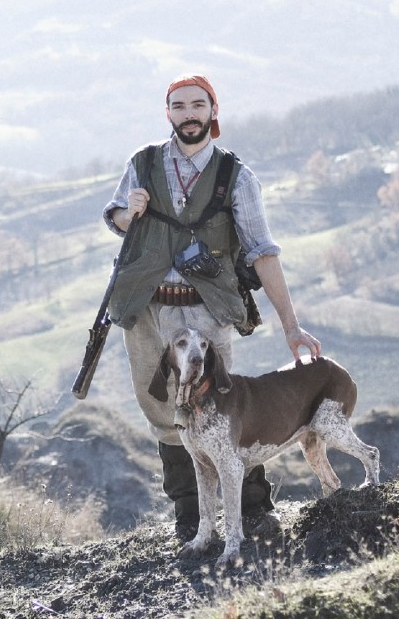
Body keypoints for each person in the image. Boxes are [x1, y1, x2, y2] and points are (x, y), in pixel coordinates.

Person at [103, 74, 321, 540]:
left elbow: (262, 249)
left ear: (213, 111)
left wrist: (292, 326)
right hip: (146, 308)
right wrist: (129, 212)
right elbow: (118, 220)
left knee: (222, 404)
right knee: (162, 407)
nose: (188, 114)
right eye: (178, 106)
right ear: (168, 113)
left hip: (205, 308)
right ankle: (190, 517)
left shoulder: (236, 176)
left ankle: (255, 510)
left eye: (197, 105)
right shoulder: (142, 163)